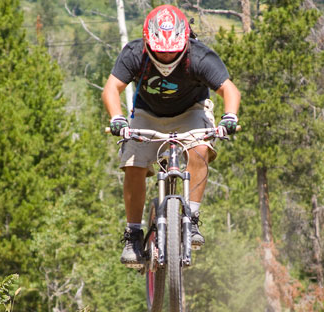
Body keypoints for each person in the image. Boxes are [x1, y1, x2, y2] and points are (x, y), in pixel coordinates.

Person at [102, 4, 240, 268]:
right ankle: (133, 234)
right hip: (147, 115)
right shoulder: (134, 53)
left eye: (172, 52)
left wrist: (230, 116)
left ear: (185, 43)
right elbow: (111, 89)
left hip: (190, 113)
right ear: (147, 42)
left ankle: (193, 219)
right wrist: (117, 118)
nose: (166, 57)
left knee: (200, 150)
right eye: (160, 52)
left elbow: (230, 91)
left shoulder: (200, 57)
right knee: (133, 164)